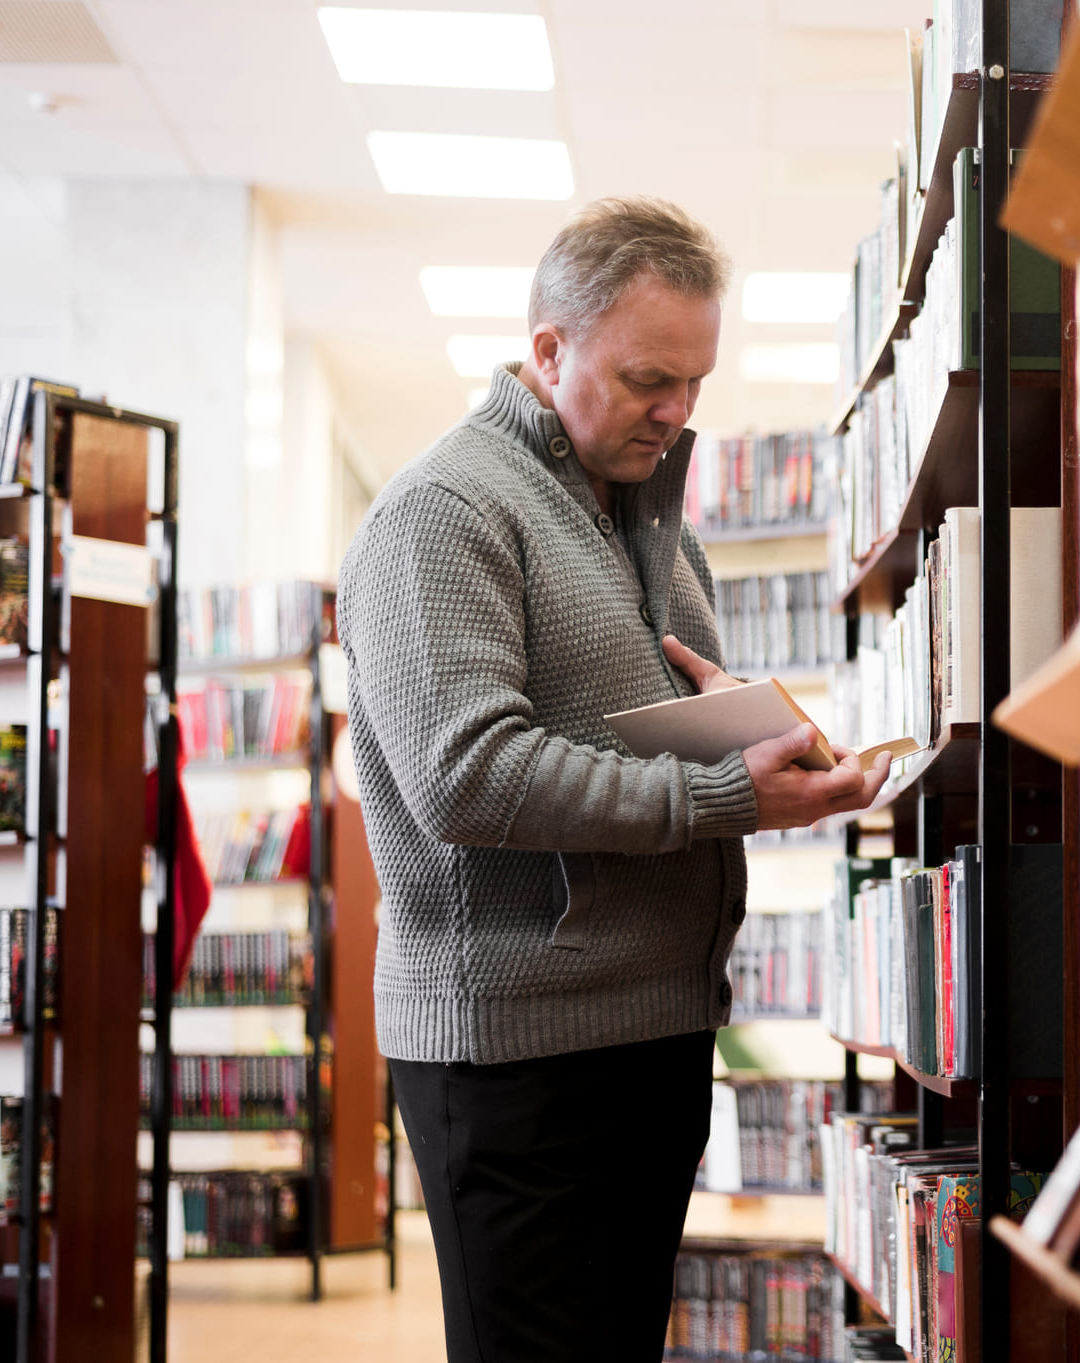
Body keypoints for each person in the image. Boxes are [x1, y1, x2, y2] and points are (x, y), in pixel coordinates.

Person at [337, 196, 889, 1361]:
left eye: (695, 380)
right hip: (516, 1059)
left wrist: (762, 746)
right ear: (548, 351)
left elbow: (632, 733)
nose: (679, 411)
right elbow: (467, 775)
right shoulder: (442, 513)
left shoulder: (651, 522)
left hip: (650, 1030)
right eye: (649, 378)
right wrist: (727, 793)